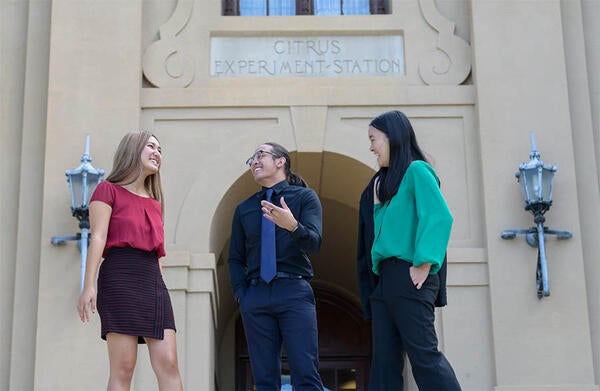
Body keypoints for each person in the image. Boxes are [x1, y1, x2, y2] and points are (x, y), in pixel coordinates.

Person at [357, 110, 461, 390]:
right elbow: (381, 235)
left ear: (393, 138)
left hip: (409, 274)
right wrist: (378, 203)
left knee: (424, 357)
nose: (371, 147)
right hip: (386, 281)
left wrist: (424, 263)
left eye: (373, 139)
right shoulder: (385, 185)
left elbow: (439, 217)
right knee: (384, 365)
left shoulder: (417, 170)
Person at [77, 130, 183, 391]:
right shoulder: (107, 190)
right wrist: (88, 285)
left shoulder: (156, 202)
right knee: (124, 368)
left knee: (169, 363)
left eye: (160, 149)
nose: (157, 153)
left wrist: (160, 287)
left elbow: (158, 252)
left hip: (152, 281)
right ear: (132, 149)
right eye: (151, 146)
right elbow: (98, 238)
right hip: (120, 276)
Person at [229, 142, 325, 391]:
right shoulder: (245, 208)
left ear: (281, 161)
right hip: (255, 295)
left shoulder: (305, 197)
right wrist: (242, 294)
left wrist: (292, 226)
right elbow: (235, 258)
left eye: (261, 155)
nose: (255, 162)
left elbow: (314, 243)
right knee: (264, 380)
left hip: (294, 291)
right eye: (252, 159)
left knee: (306, 374)